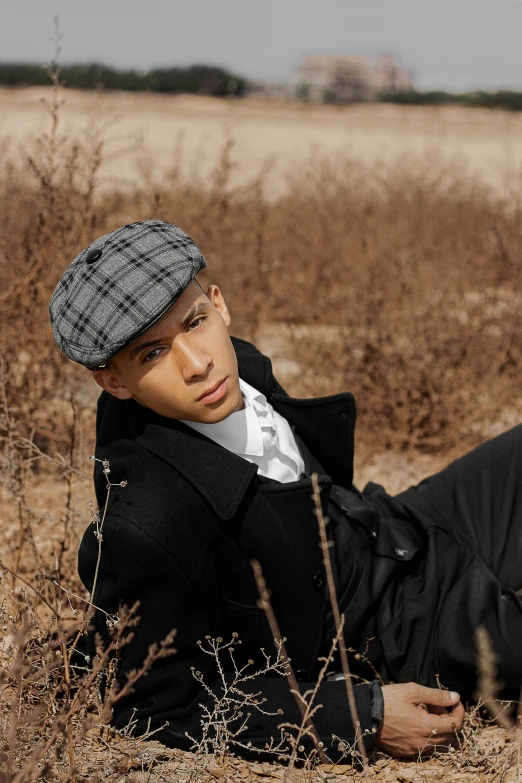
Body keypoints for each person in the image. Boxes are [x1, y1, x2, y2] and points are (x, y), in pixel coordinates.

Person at [49, 220, 522, 760]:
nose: (198, 364)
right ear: (113, 381)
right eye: (152, 354)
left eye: (196, 322)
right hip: (397, 633)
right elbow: (155, 703)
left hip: (393, 528)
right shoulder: (144, 520)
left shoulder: (238, 363)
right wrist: (359, 716)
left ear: (219, 304)